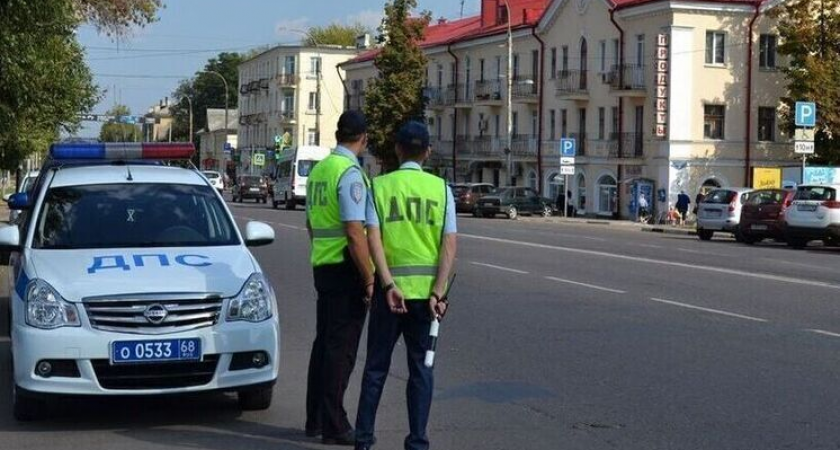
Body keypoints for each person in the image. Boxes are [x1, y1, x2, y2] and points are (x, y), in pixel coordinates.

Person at [355, 121, 458, 450]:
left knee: (375, 370)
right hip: (426, 300)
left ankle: (364, 440)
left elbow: (373, 238)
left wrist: (386, 284)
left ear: (398, 150)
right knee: (421, 370)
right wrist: (438, 292)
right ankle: (417, 442)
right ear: (427, 152)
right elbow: (449, 245)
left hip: (391, 297)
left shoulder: (379, 186)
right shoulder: (441, 190)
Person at [305, 110, 375, 446]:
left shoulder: (320, 170)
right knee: (341, 351)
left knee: (323, 346)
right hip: (345, 269)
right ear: (363, 138)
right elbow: (354, 230)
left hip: (323, 264)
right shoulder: (349, 173)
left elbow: (310, 224)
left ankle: (315, 418)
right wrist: (370, 275)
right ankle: (335, 424)